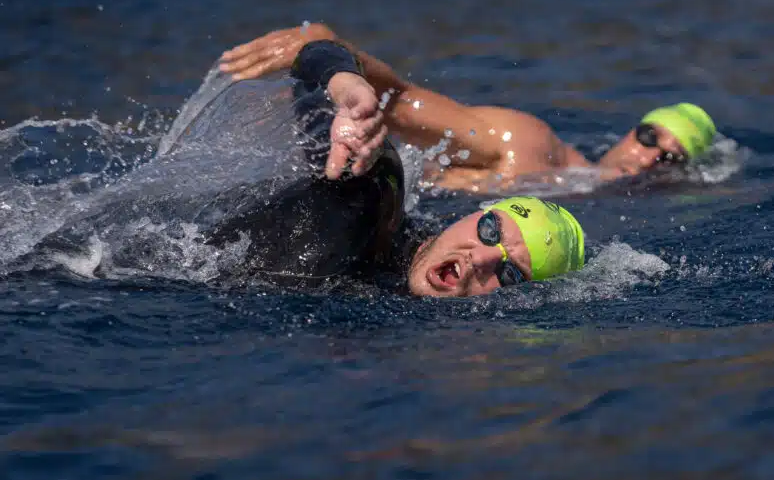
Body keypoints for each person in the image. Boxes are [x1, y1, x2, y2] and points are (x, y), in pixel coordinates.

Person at [151, 38, 586, 297]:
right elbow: (315, 56)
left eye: (510, 275)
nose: (481, 257)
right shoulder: (369, 193)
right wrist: (347, 85)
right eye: (491, 231)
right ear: (472, 214)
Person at [218, 23, 720, 193]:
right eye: (652, 137)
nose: (650, 157)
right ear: (633, 131)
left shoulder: (582, 197)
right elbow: (400, 99)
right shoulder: (527, 144)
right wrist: (330, 52)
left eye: (671, 159)